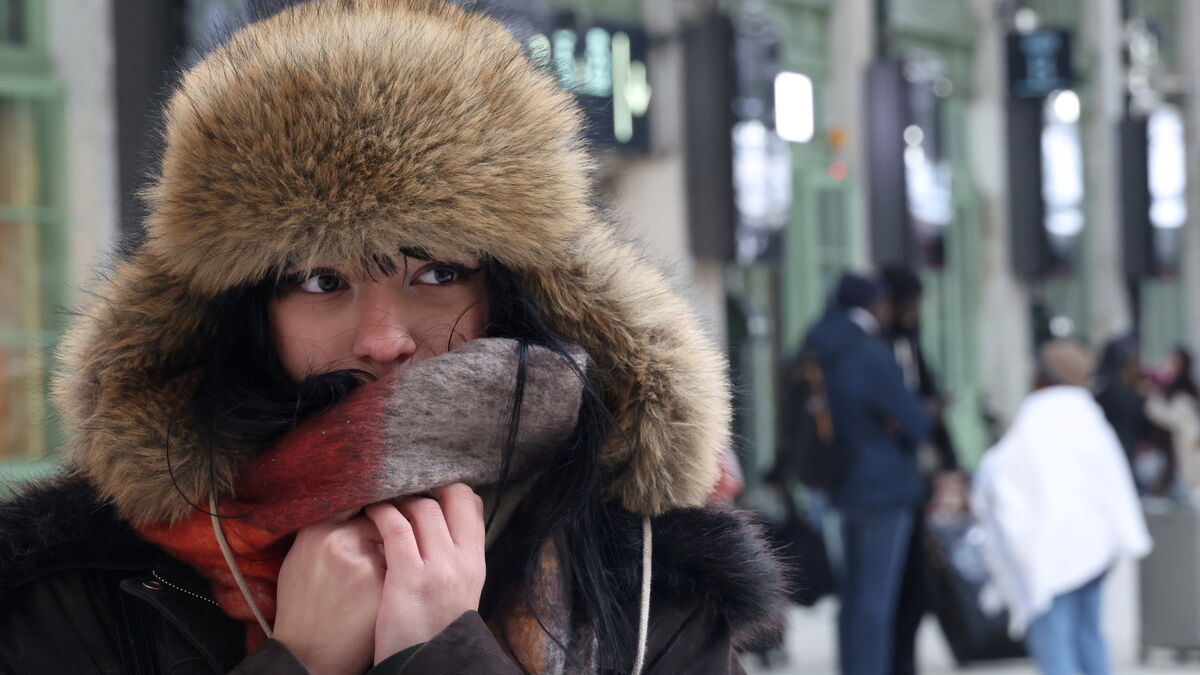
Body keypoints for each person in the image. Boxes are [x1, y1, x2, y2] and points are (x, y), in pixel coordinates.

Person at [0, 2, 787, 673]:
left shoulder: (648, 572)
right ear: (245, 313)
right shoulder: (81, 582)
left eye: (436, 271)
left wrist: (440, 651)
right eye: (320, 281)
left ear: (510, 290)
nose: (382, 338)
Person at [973, 339, 1151, 675]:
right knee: (1089, 635)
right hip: (1093, 550)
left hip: (1048, 551)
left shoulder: (1037, 419)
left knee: (1055, 640)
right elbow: (1115, 484)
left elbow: (999, 479)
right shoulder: (1089, 417)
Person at [802, 273, 931, 675]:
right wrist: (897, 423)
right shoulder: (868, 353)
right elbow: (915, 421)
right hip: (883, 487)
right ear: (873, 306)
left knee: (852, 594)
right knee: (876, 598)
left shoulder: (815, 346)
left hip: (838, 483)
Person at [879, 265, 961, 675]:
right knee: (891, 580)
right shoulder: (878, 344)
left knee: (916, 577)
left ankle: (905, 658)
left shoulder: (911, 341)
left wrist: (950, 462)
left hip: (915, 479)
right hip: (889, 480)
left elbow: (923, 396)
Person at [1145, 346, 1200, 495]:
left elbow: (1165, 414)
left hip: (1185, 449)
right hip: (1166, 448)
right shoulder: (1167, 387)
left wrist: (1152, 395)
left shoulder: (1186, 390)